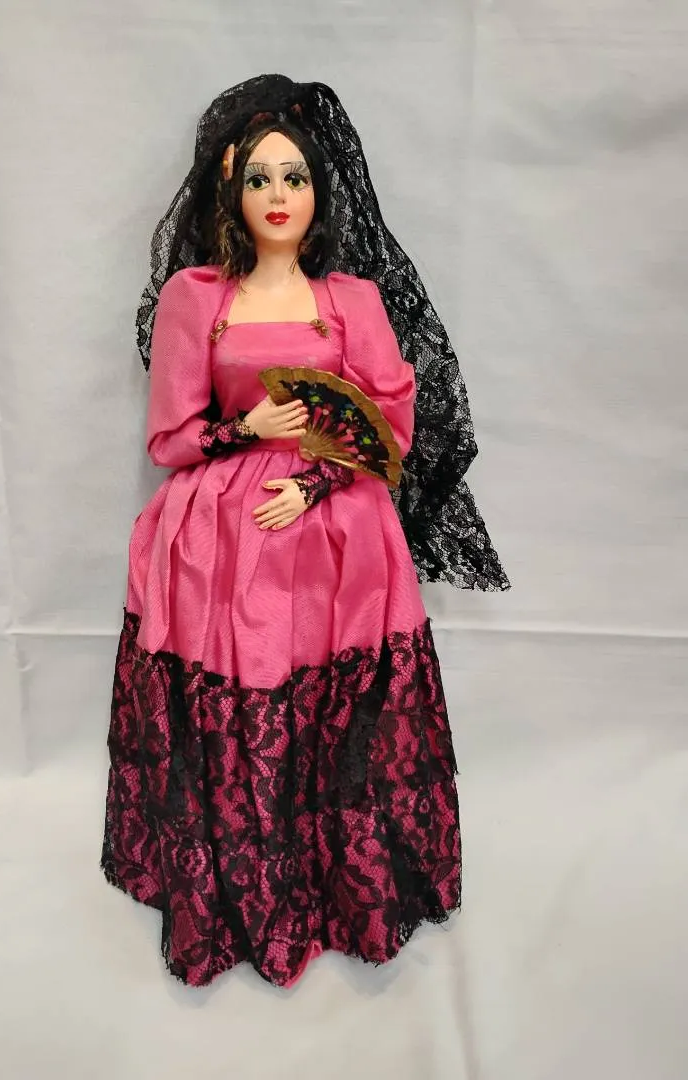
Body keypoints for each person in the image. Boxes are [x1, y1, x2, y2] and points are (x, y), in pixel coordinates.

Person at [101, 75, 509, 988]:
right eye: (258, 179)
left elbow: (389, 424)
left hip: (338, 531)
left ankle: (337, 887)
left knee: (337, 711)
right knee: (242, 699)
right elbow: (169, 439)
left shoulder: (351, 299)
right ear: (230, 192)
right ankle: (245, 886)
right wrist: (244, 430)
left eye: (294, 177)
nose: (278, 195)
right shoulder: (195, 298)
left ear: (321, 190)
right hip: (224, 533)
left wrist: (318, 477)